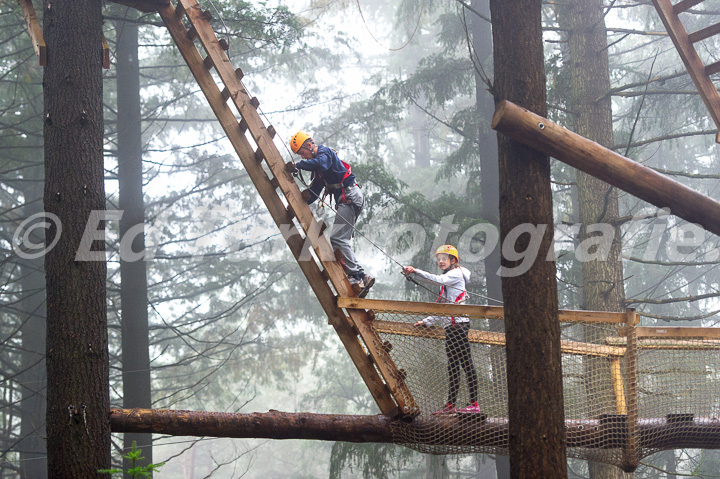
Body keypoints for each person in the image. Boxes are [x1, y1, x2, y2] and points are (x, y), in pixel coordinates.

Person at [286, 130, 374, 297]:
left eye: (303, 153)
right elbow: (315, 191)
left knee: (337, 238)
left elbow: (321, 164)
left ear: (310, 145)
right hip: (347, 198)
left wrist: (297, 165)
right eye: (300, 156)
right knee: (340, 239)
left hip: (349, 196)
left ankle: (358, 276)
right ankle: (361, 277)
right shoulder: (319, 169)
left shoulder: (325, 153)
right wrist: (300, 198)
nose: (303, 157)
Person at [403, 245, 481, 415]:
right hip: (451, 328)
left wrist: (415, 271)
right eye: (439, 259)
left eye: (444, 258)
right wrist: (427, 321)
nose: (440, 261)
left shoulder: (455, 274)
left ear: (453, 261)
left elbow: (437, 279)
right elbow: (443, 307)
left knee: (466, 364)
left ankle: (474, 404)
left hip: (459, 325)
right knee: (452, 366)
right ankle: (450, 405)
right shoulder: (448, 279)